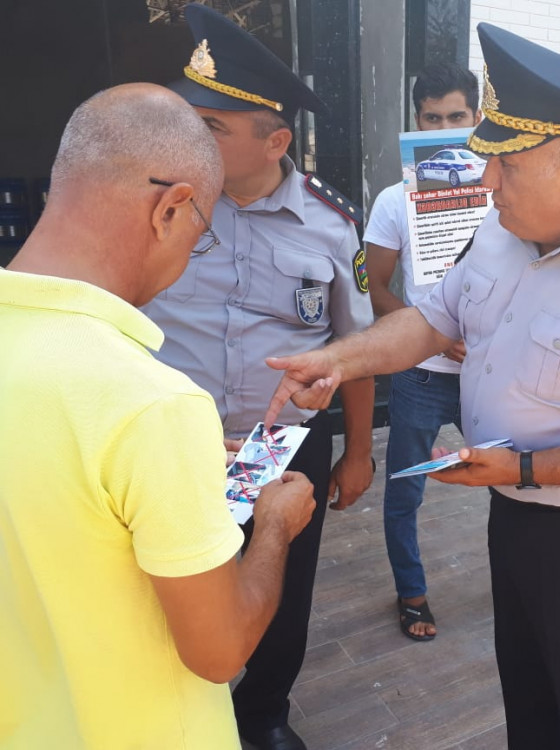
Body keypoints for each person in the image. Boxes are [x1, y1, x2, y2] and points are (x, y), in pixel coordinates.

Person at [263, 22, 560, 750]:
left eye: (506, 165)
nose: (485, 181)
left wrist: (525, 468)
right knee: (528, 697)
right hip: (511, 507)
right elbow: (432, 320)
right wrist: (342, 361)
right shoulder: (503, 230)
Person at [0, 83, 316, 749]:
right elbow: (221, 651)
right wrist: (276, 529)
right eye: (200, 233)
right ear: (170, 209)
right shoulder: (152, 404)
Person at [141, 6, 375, 750]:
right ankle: (178, 712)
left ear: (275, 140)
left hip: (278, 447)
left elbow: (356, 347)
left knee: (281, 589)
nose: (187, 137)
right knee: (170, 585)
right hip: (172, 445)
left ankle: (265, 713)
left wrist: (360, 452)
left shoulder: (331, 226)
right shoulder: (162, 202)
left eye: (210, 126)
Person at [366, 62, 482, 641]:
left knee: (517, 481)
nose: (443, 126)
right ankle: (411, 594)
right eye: (432, 118)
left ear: (477, 118)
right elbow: (379, 292)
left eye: (455, 117)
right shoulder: (393, 201)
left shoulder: (507, 194)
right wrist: (432, 332)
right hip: (419, 373)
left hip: (490, 371)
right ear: (416, 121)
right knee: (406, 489)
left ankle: (523, 580)